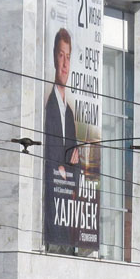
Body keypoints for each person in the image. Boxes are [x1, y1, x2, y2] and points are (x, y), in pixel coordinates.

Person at [44, 28, 80, 181]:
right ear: (54, 58)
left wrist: (67, 168)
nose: (65, 64)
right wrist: (65, 168)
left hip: (67, 201)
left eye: (68, 57)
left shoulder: (70, 114)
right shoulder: (48, 109)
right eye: (61, 56)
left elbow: (77, 167)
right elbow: (48, 161)